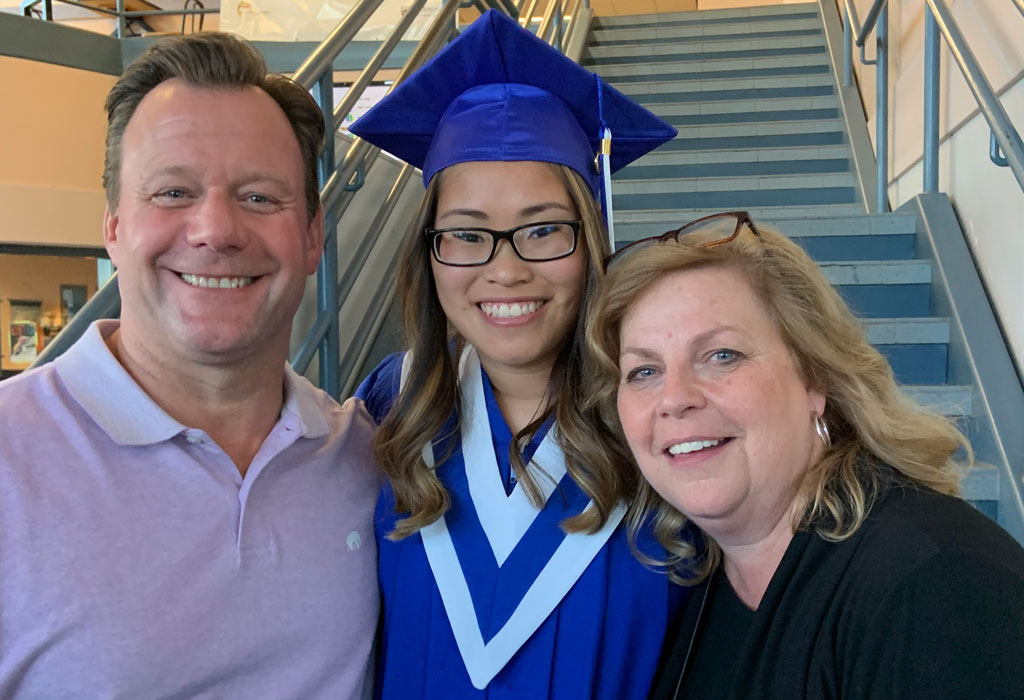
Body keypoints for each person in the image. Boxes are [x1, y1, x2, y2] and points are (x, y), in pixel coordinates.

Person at [0, 33, 380, 698]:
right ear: (114, 228)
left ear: (315, 235)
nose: (215, 229)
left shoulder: (365, 460)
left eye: (260, 197)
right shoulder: (10, 457)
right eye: (174, 192)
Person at [349, 10, 682, 699]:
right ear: (430, 253)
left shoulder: (668, 418)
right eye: (468, 235)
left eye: (543, 230)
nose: (505, 270)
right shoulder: (394, 404)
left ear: (592, 239)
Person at [584, 211, 1024, 700]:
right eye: (643, 371)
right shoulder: (696, 587)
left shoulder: (936, 586)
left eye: (722, 355)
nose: (674, 398)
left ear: (814, 377)